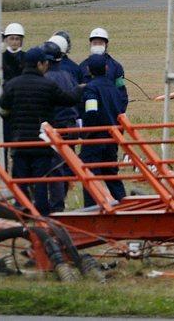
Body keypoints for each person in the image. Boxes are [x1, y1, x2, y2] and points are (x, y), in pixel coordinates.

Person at [0, 46, 82, 215]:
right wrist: (80, 88)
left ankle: (22, 211)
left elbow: (3, 107)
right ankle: (42, 214)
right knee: (41, 182)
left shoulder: (12, 85)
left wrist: (12, 120)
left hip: (19, 142)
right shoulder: (47, 85)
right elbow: (68, 100)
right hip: (41, 144)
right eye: (44, 63)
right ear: (39, 64)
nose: (46, 66)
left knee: (21, 180)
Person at [78, 54, 127, 206]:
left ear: (88, 70)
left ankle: (91, 208)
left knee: (90, 176)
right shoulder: (114, 88)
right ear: (106, 68)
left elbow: (91, 112)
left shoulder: (91, 88)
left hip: (95, 138)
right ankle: (125, 204)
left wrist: (85, 133)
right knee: (111, 175)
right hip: (112, 137)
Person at [44, 36, 80, 212]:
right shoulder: (68, 74)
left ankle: (56, 206)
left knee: (55, 168)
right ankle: (61, 199)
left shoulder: (47, 78)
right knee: (66, 166)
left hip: (57, 127)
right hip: (72, 125)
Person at [79, 27, 128, 114]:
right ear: (90, 44)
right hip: (88, 111)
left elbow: (121, 91)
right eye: (95, 43)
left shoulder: (116, 66)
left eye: (100, 43)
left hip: (110, 111)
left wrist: (120, 111)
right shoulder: (82, 66)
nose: (97, 46)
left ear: (106, 44)